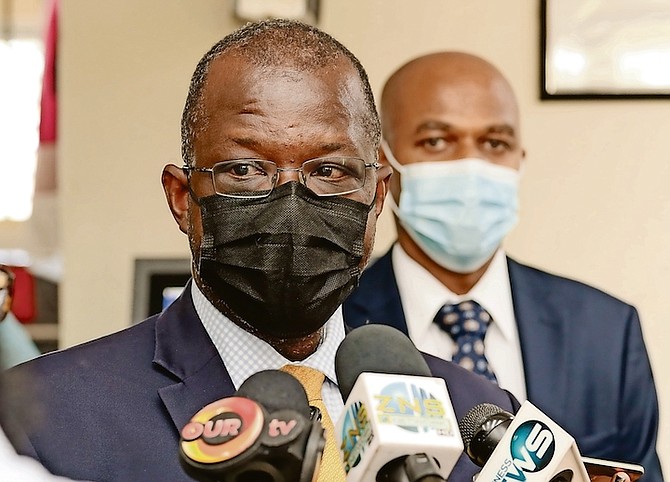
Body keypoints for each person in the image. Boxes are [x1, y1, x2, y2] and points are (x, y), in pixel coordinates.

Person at [0, 22, 520, 481]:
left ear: (377, 195)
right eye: (245, 170)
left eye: (329, 171)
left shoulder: (482, 424)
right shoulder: (40, 422)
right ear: (183, 200)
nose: (291, 207)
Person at [343, 51, 663, 481]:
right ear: (382, 164)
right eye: (436, 141)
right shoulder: (332, 322)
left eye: (495, 144)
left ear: (519, 161)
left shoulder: (606, 332)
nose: (471, 166)